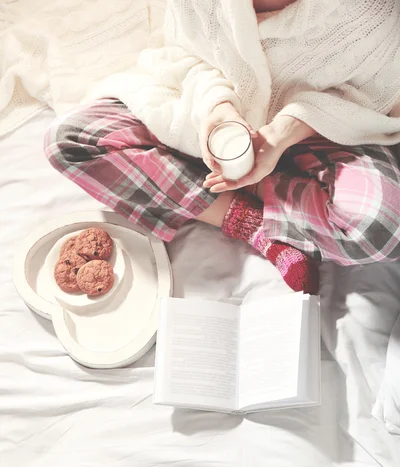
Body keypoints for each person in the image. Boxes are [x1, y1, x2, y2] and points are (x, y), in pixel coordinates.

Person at [44, 0, 400, 294]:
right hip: (210, 111)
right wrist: (217, 106)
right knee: (70, 138)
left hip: (323, 126)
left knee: (383, 226)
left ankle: (245, 186)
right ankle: (254, 225)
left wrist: (283, 133)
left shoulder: (370, 11)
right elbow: (186, 55)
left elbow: (376, 93)